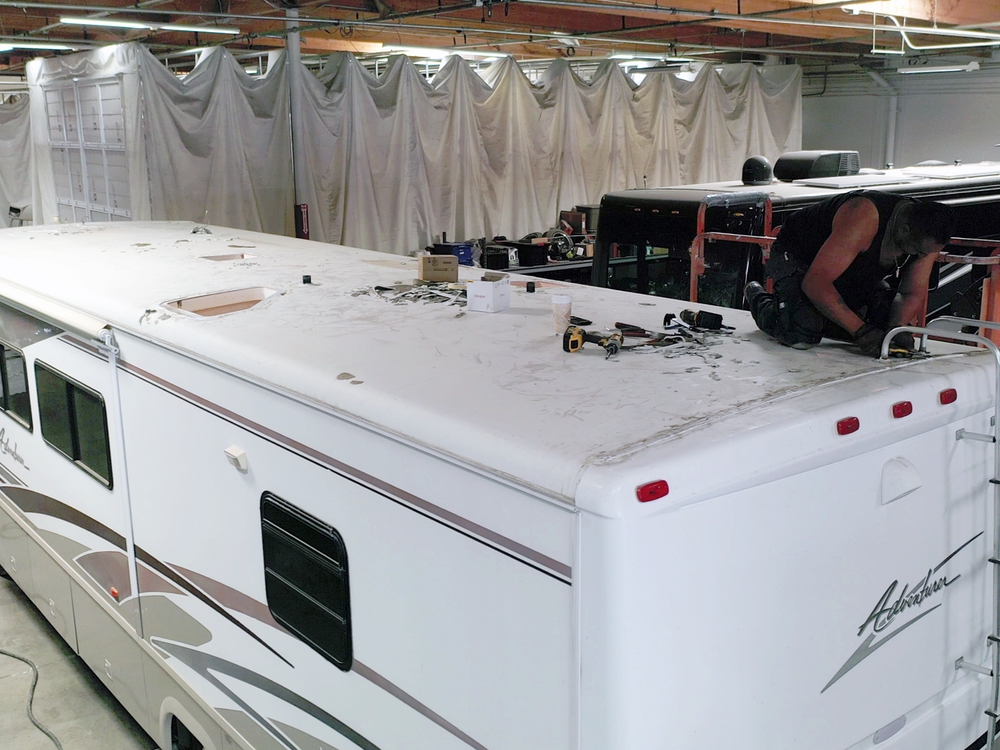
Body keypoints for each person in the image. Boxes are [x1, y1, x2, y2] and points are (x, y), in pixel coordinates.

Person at [745, 190, 955, 357]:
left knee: (881, 326)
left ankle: (826, 319)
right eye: (917, 251)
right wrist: (861, 331)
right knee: (802, 331)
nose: (922, 257)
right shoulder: (863, 217)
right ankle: (759, 298)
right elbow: (816, 283)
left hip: (846, 268)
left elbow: (911, 293)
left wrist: (895, 329)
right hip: (798, 255)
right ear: (904, 230)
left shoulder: (927, 237)